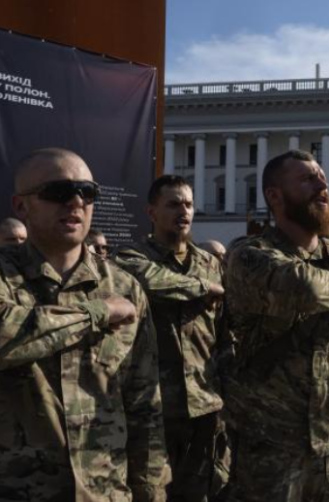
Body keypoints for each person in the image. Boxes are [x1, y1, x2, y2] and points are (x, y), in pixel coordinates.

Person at [223, 150, 329, 501]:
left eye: (322, 177)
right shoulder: (249, 255)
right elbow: (300, 286)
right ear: (274, 195)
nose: (322, 184)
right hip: (270, 451)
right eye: (307, 178)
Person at [0, 148, 168, 500]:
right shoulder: (5, 276)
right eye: (58, 192)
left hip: (105, 490)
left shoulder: (125, 287)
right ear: (21, 206)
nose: (76, 201)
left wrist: (150, 490)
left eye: (87, 192)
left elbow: (144, 404)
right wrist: (96, 313)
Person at [114, 175, 229, 501]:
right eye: (174, 204)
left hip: (204, 409)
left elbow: (223, 333)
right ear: (152, 212)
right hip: (152, 409)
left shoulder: (209, 263)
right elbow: (147, 280)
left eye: (189, 204)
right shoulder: (130, 257)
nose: (184, 211)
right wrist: (201, 288)